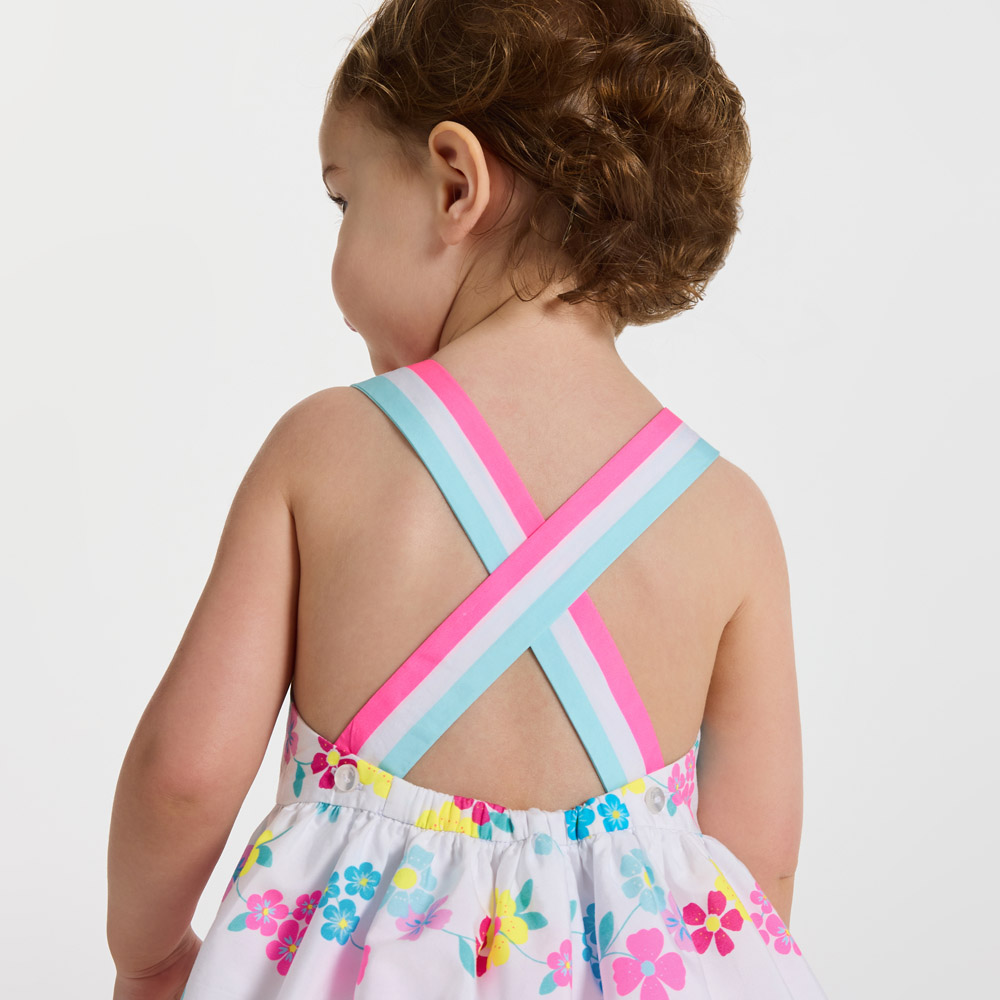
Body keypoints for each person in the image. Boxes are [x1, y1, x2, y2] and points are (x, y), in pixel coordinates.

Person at [107, 1, 829, 996]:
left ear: (455, 184)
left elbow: (182, 779)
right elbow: (756, 874)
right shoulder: (728, 518)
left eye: (345, 198)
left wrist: (148, 954)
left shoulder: (324, 451)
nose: (337, 245)